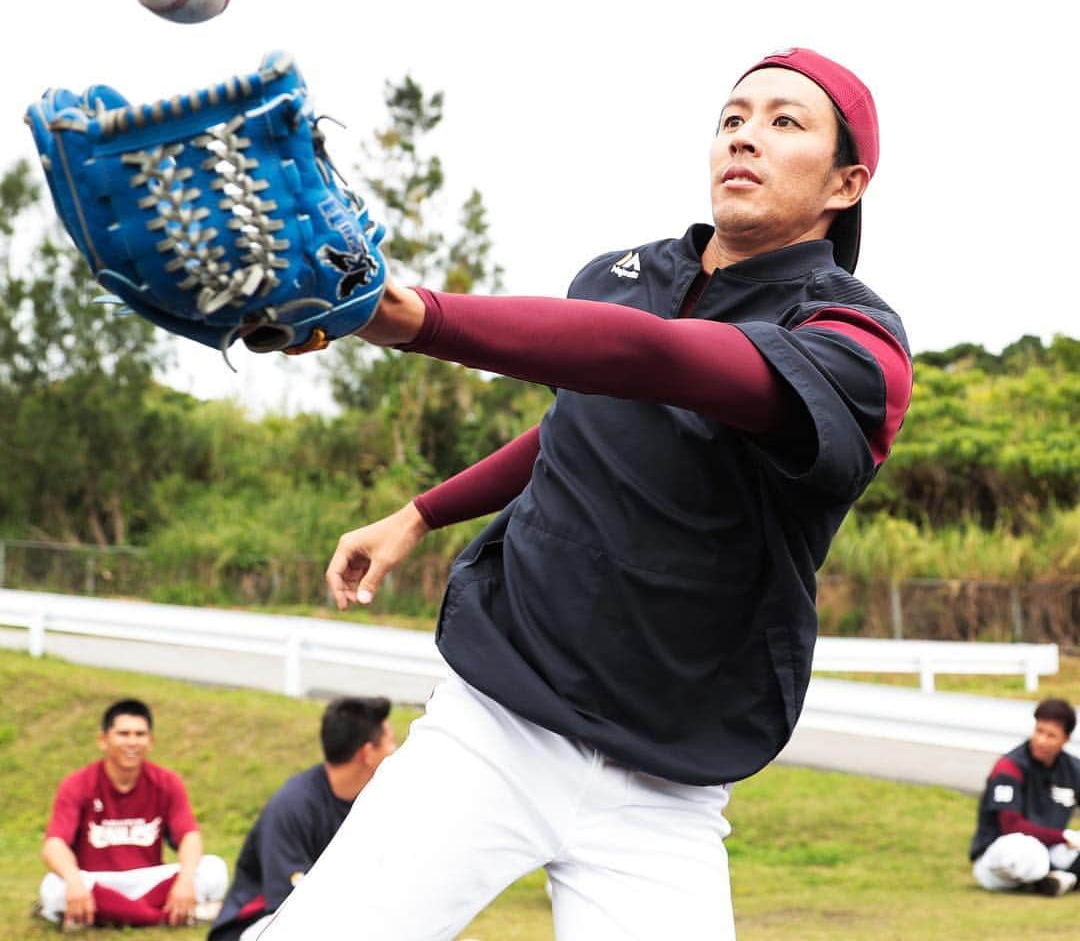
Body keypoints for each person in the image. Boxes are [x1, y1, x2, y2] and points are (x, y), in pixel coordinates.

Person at [262, 47, 914, 940]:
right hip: (498, 717)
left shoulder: (857, 346)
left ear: (847, 183)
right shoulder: (624, 275)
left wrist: (410, 314)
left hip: (664, 783)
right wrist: (422, 511)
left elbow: (647, 358)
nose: (745, 137)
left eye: (783, 122)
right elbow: (589, 417)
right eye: (733, 118)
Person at [208, 697, 396, 941]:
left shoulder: (376, 802)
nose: (395, 752)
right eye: (391, 743)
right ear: (368, 753)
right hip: (258, 925)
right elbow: (293, 905)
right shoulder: (293, 804)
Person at [37, 697, 228, 928]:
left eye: (140, 735)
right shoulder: (78, 784)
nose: (132, 742)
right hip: (96, 881)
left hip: (148, 881)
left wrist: (186, 880)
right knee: (53, 887)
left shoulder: (166, 782)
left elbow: (189, 836)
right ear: (103, 740)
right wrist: (75, 882)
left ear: (151, 741)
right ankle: (166, 916)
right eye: (123, 734)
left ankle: (102, 915)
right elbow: (54, 844)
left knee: (214, 869)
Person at [970, 698, 1080, 896]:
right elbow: (1011, 826)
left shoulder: (1073, 770)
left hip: (1049, 849)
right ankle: (1058, 877)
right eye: (1039, 731)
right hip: (1000, 855)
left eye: (1051, 735)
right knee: (1025, 849)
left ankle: (1055, 879)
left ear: (1065, 739)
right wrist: (1064, 836)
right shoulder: (1009, 766)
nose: (1042, 740)